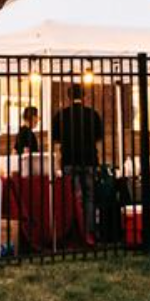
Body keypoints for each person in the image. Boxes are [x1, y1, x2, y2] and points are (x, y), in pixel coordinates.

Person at [50, 84, 103, 239]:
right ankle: (89, 232)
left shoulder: (61, 115)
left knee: (73, 197)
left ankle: (75, 231)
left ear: (68, 96)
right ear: (84, 96)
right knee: (89, 197)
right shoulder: (93, 114)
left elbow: (57, 140)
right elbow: (98, 139)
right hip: (89, 160)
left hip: (69, 160)